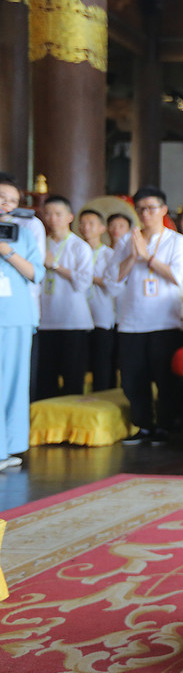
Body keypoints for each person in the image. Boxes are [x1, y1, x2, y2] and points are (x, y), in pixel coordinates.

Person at [106, 186, 183, 445]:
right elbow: (112, 280)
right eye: (140, 209)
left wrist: (148, 257)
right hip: (131, 321)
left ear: (163, 210)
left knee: (166, 378)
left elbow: (177, 276)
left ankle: (166, 425)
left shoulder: (177, 241)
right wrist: (133, 256)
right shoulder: (126, 240)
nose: (145, 214)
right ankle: (143, 426)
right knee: (133, 378)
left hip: (165, 321)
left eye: (151, 208)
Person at [0, 174, 45, 470]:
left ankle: (10, 445)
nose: (7, 205)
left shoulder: (21, 233)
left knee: (13, 382)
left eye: (13, 201)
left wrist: (8, 251)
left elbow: (35, 273)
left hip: (16, 316)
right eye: (2, 198)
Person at [37, 196, 95, 399]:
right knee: (44, 379)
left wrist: (55, 266)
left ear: (70, 217)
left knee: (72, 378)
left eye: (58, 214)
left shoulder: (80, 247)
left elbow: (83, 283)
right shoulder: (39, 244)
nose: (53, 218)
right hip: (44, 321)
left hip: (73, 321)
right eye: (48, 214)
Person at [77, 209, 117, 391]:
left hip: (102, 314)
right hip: (78, 313)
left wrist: (86, 277)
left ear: (102, 228)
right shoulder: (76, 250)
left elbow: (113, 285)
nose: (86, 227)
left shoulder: (110, 255)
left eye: (91, 223)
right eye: (83, 223)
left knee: (102, 362)